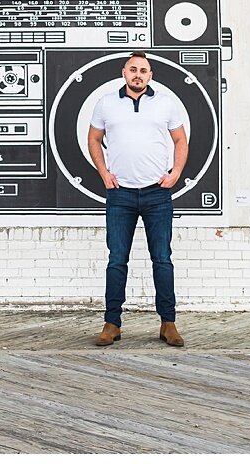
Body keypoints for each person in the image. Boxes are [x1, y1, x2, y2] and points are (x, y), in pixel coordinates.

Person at [86, 51, 188, 347]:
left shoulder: (165, 104)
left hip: (157, 193)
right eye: (133, 69)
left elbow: (180, 140)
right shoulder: (106, 103)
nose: (138, 74)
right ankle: (112, 323)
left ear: (150, 75)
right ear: (124, 72)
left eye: (143, 70)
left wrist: (175, 173)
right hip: (120, 194)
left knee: (162, 260)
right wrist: (104, 172)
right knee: (117, 260)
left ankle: (168, 323)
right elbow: (93, 138)